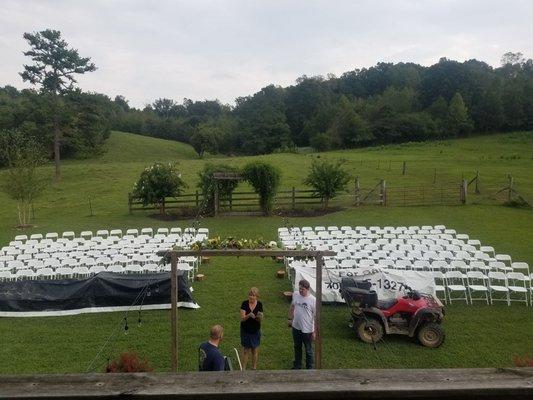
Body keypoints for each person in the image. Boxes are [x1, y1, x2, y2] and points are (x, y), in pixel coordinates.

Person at [288, 279, 316, 369]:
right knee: (297, 347)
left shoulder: (313, 300)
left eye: (302, 289)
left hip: (307, 329)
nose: (300, 291)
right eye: (299, 288)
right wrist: (290, 318)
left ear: (308, 289)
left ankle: (309, 368)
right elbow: (292, 306)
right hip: (296, 327)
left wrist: (314, 332)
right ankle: (297, 365)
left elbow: (316, 317)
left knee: (308, 350)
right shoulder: (296, 294)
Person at [240, 287, 263, 370]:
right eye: (250, 295)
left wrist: (259, 317)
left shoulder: (259, 304)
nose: (251, 297)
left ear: (257, 296)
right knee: (246, 350)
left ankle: (254, 368)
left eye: (253, 295)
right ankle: (243, 369)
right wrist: (248, 315)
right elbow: (242, 318)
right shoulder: (244, 304)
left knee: (254, 350)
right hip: (246, 330)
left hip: (255, 330)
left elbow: (260, 318)